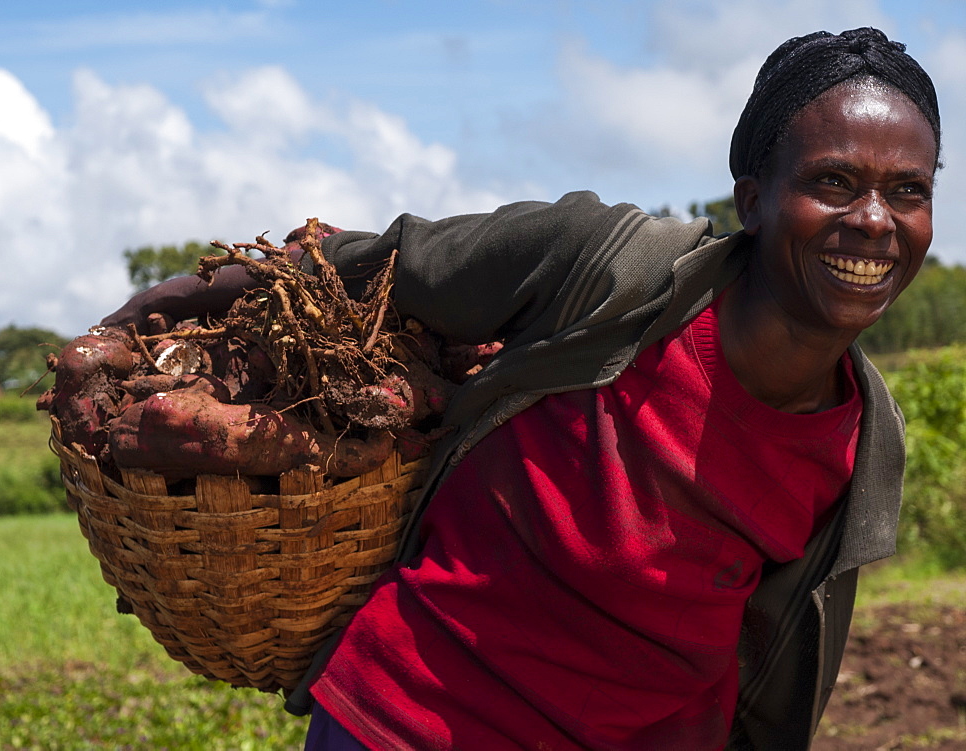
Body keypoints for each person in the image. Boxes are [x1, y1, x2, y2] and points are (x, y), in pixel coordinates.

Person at [103, 27, 941, 751]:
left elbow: (773, 656)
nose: (874, 219)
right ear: (753, 201)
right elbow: (390, 264)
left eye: (909, 191)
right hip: (418, 718)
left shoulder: (865, 440)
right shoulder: (612, 267)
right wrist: (167, 302)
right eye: (834, 181)